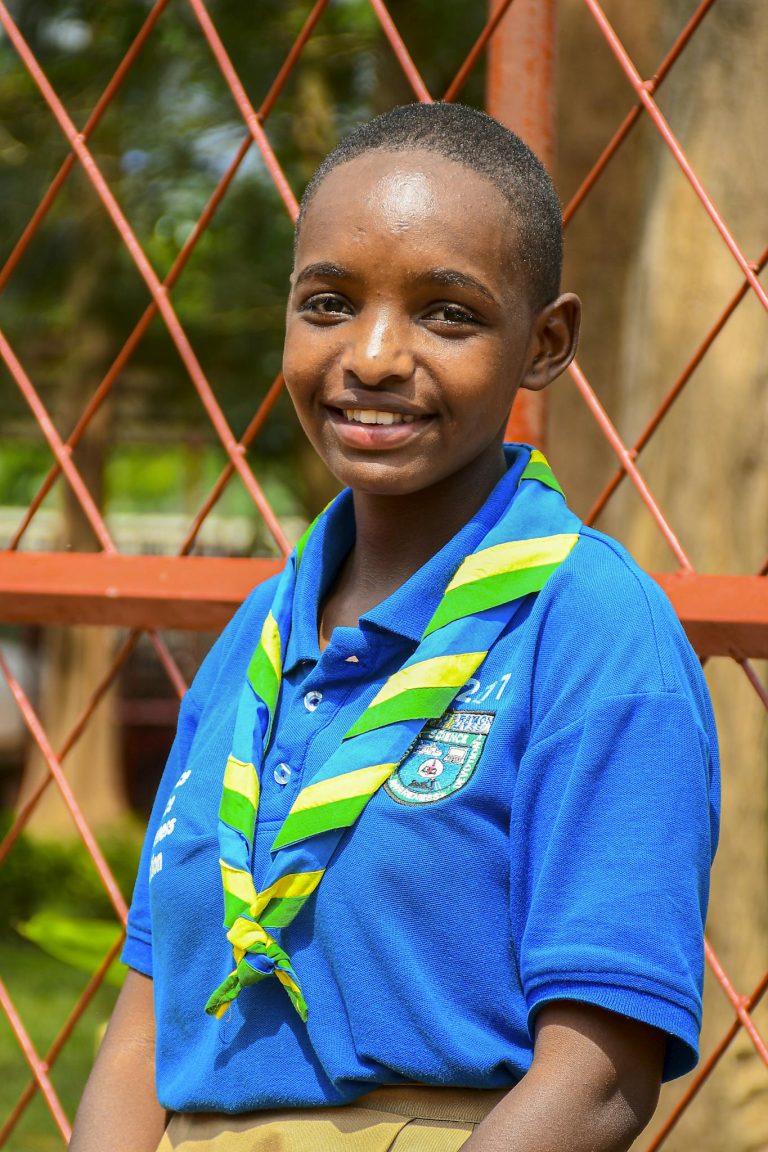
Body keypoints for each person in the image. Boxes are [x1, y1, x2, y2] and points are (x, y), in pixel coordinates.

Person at [71, 102, 720, 1152]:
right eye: (328, 304)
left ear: (544, 343)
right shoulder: (254, 644)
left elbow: (599, 1075)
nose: (372, 356)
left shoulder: (592, 631)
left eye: (447, 315)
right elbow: (144, 1029)